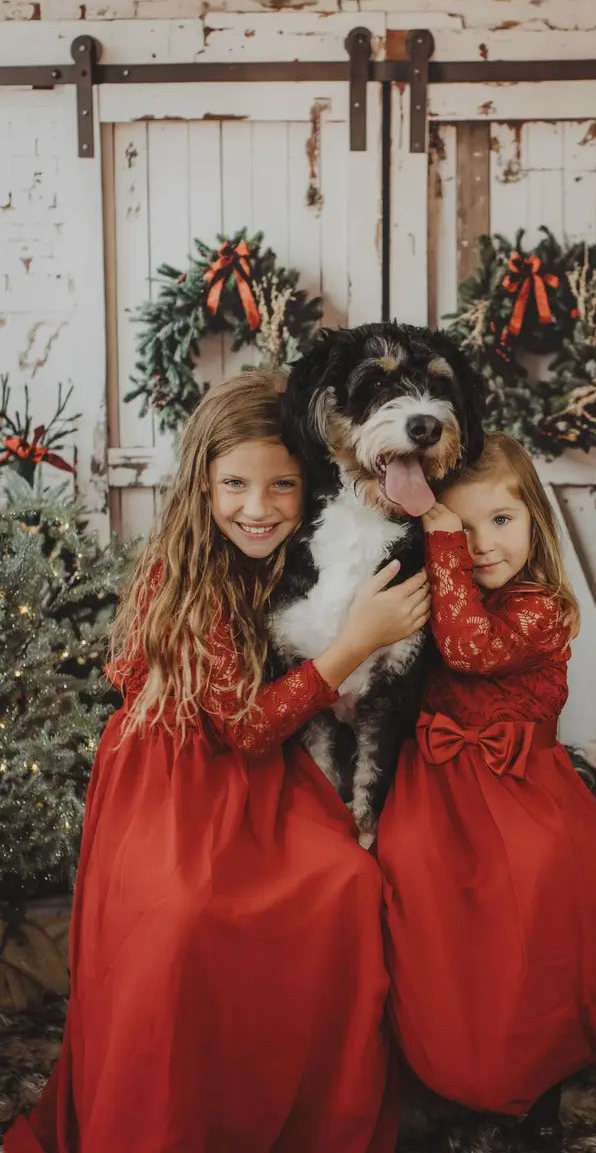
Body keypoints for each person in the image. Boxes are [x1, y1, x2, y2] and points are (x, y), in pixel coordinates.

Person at [5, 369, 430, 1153]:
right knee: (186, 917)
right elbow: (245, 723)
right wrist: (355, 644)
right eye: (234, 484)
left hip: (262, 778)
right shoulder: (185, 571)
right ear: (201, 485)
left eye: (282, 485)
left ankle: (300, 1111)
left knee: (345, 882)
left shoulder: (296, 551)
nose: (258, 507)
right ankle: (180, 1117)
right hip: (173, 781)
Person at [377, 432, 596, 1139]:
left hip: (519, 787)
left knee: (537, 891)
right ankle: (437, 1059)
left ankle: (532, 1071)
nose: (481, 543)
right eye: (461, 526)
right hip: (434, 786)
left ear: (535, 517)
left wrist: (439, 538)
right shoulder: (441, 589)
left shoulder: (540, 607)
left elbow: (471, 647)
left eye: (500, 521)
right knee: (413, 880)